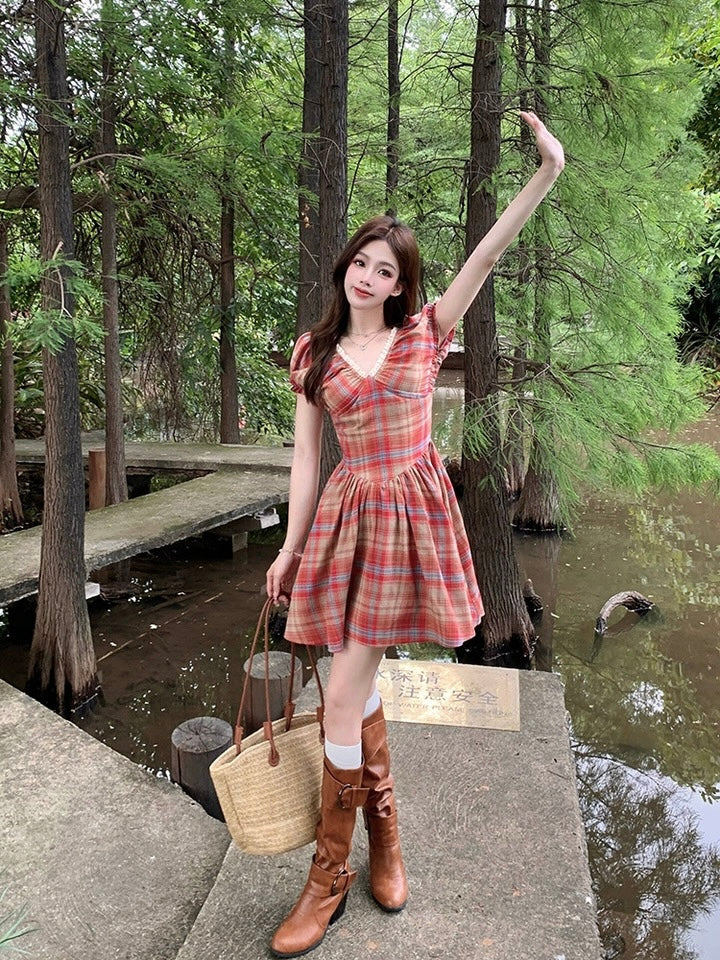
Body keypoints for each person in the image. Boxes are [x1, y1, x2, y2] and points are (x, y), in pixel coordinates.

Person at [265, 110, 564, 958]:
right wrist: (289, 548)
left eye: (383, 268)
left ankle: (329, 876)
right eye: (359, 262)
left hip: (412, 514)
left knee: (341, 689)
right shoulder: (313, 355)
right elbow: (304, 461)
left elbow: (489, 254)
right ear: (345, 268)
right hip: (345, 519)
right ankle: (386, 835)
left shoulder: (425, 334)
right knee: (343, 680)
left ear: (401, 282)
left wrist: (548, 172)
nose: (366, 275)